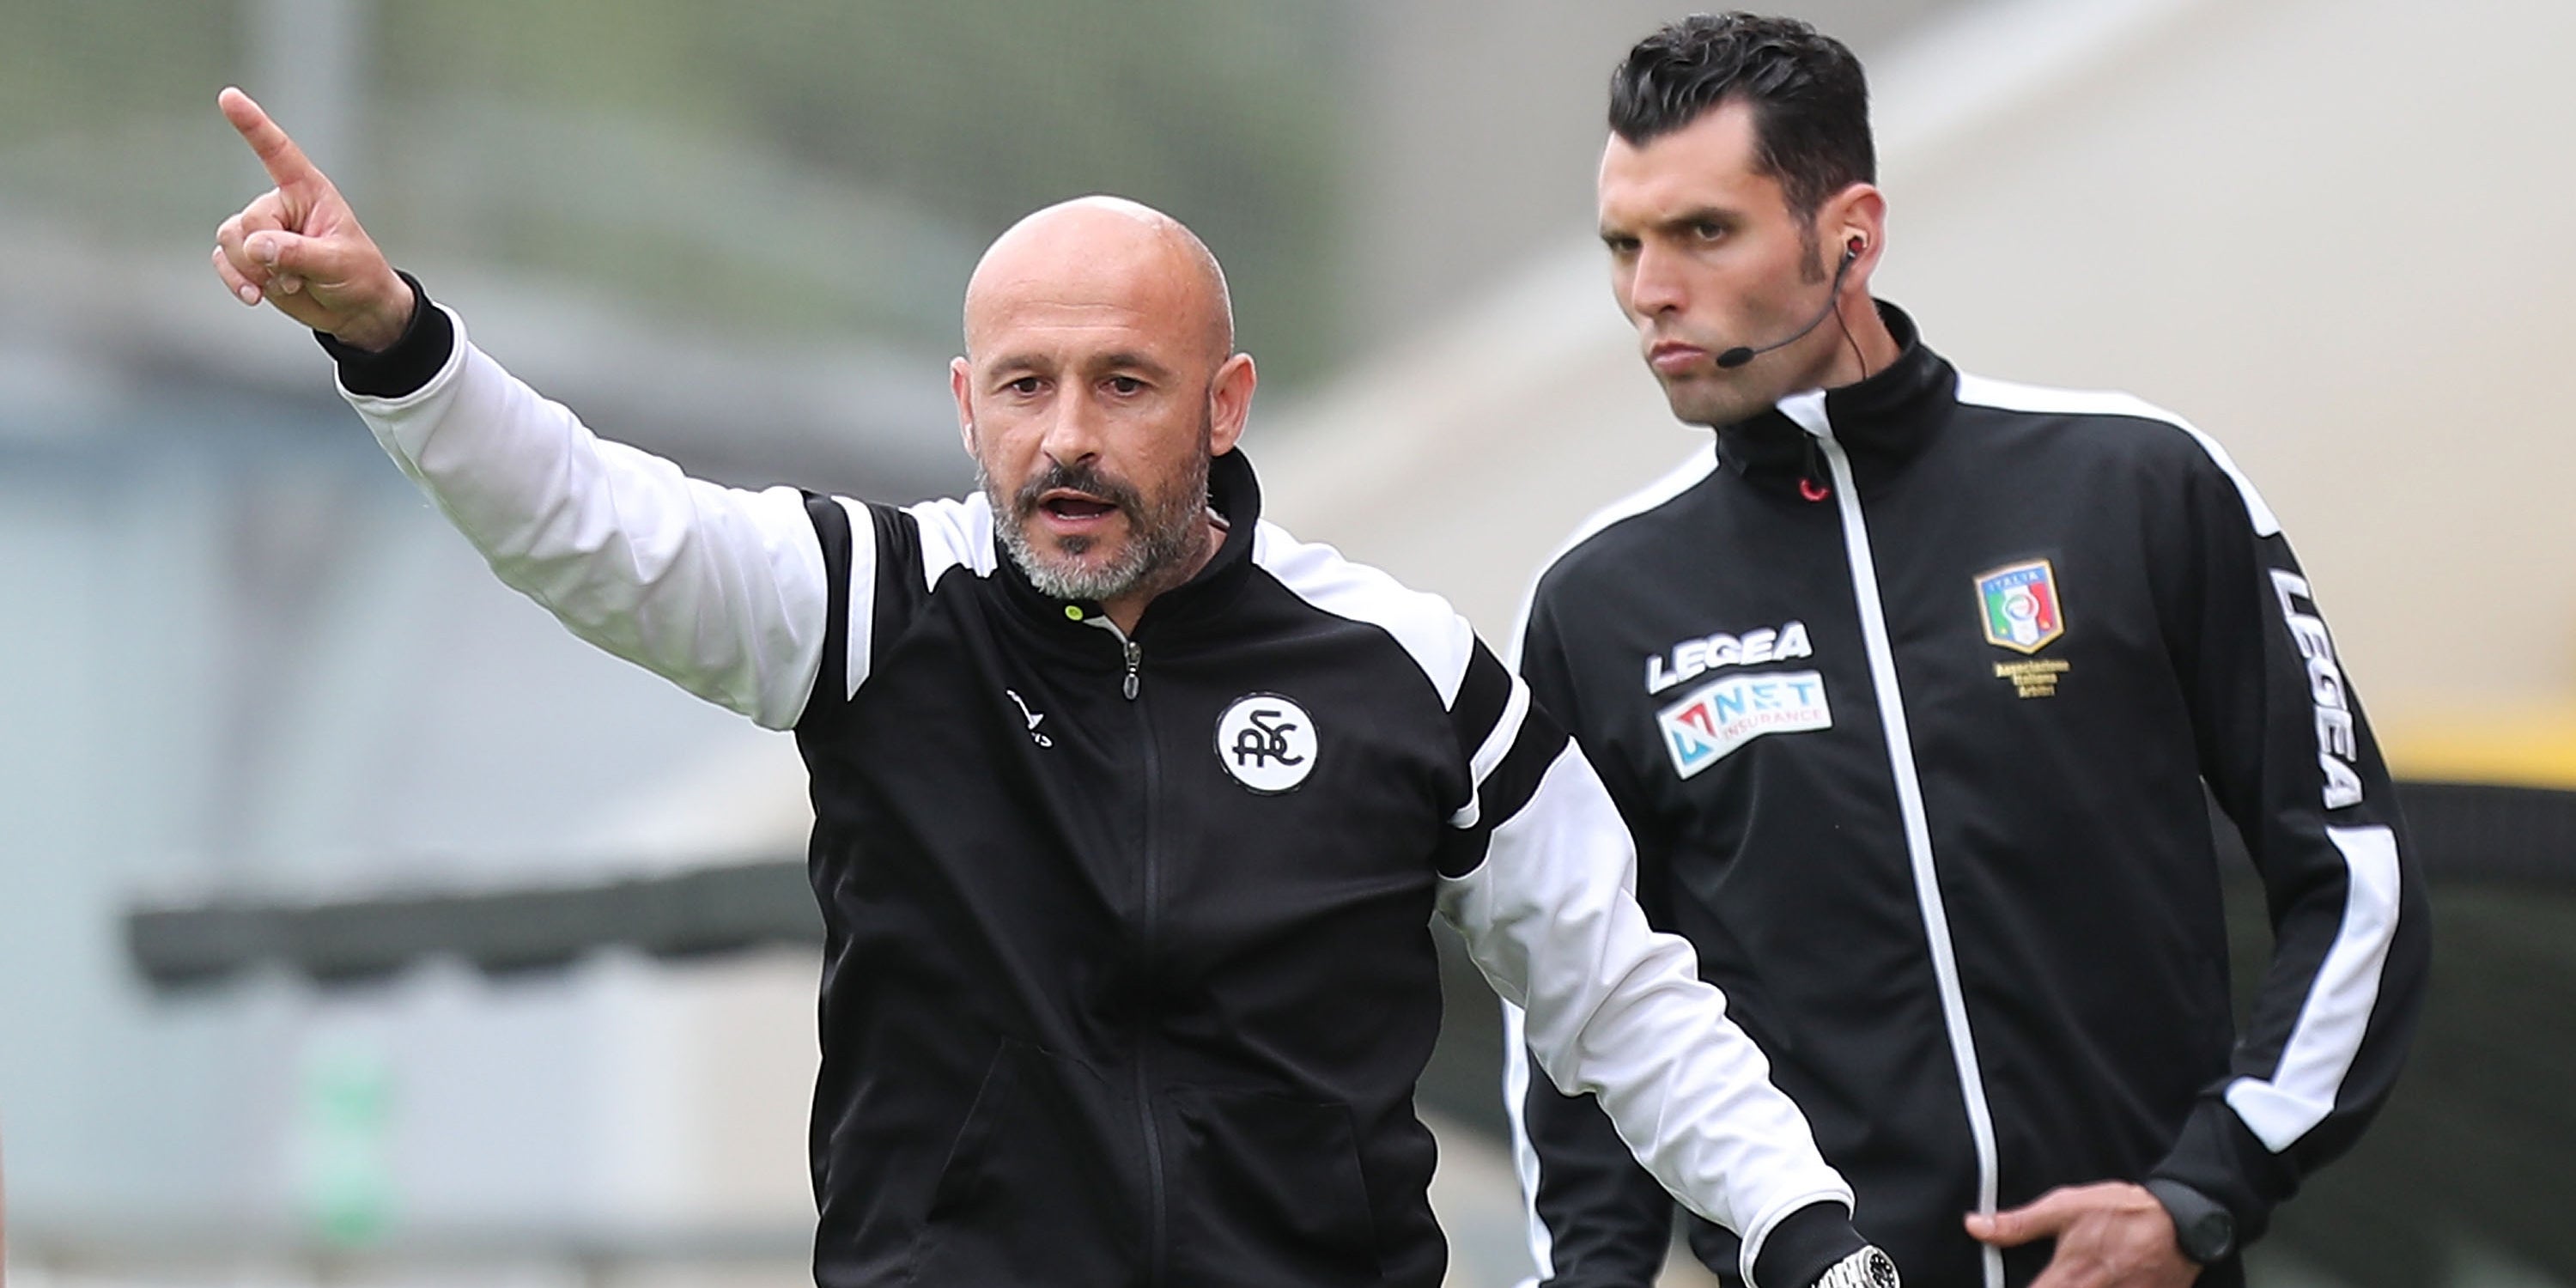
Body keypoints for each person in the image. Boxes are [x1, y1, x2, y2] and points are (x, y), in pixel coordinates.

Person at [207, 88, 1906, 1288]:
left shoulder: (1411, 671)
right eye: (1025, 387)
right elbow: (583, 521)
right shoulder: (871, 610)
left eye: (1124, 384)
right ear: (967, 407)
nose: (1068, 438)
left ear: (1225, 406)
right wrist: (392, 336)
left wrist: (1806, 1233)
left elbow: (1624, 999)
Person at [1507, 15, 2428, 1288]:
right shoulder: (1598, 603)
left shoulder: (2137, 486)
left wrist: (2206, 1187)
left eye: (1704, 232)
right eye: (1624, 244)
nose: (1650, 291)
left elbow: (2357, 879)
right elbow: (1579, 1022)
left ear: (1852, 233)